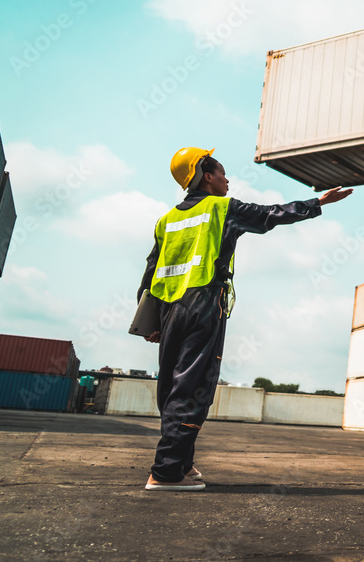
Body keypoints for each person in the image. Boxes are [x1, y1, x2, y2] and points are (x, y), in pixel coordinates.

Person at [138, 147, 352, 491]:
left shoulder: (167, 219)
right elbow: (271, 214)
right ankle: (165, 473)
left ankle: (182, 462)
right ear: (207, 176)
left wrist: (151, 321)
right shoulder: (223, 208)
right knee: (192, 389)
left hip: (167, 307)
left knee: (171, 388)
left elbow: (151, 269)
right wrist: (319, 203)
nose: (227, 179)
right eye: (222, 173)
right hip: (202, 302)